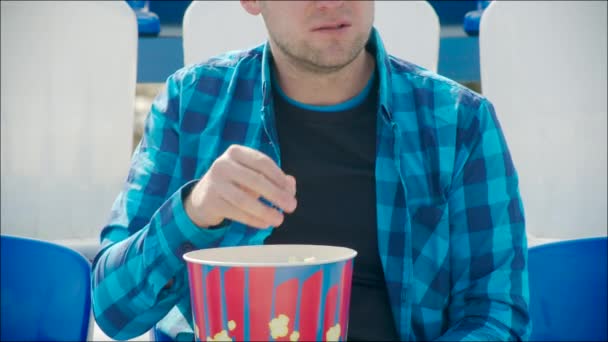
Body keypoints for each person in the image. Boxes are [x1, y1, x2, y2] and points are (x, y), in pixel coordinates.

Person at [91, 1, 531, 341]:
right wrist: (193, 211)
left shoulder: (459, 123)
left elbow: (496, 313)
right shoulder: (191, 102)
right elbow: (112, 307)